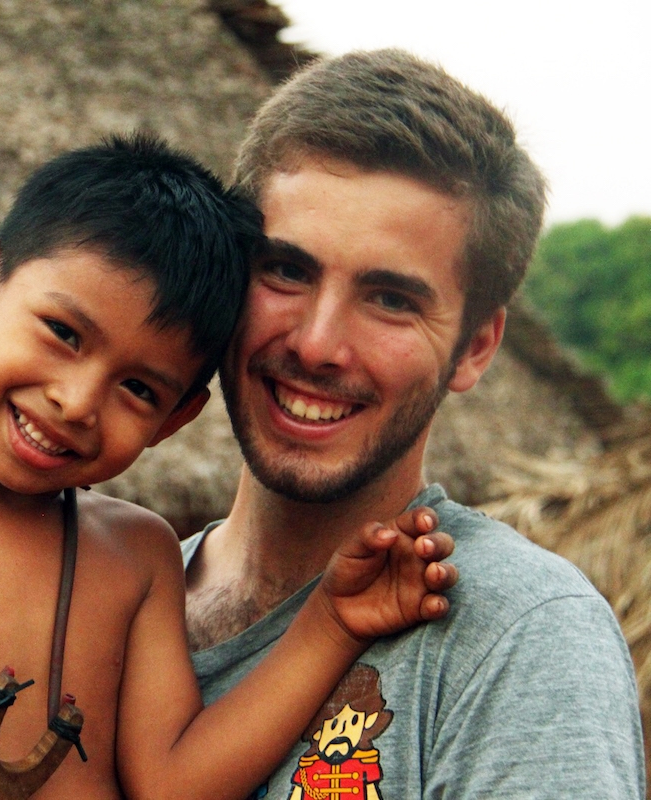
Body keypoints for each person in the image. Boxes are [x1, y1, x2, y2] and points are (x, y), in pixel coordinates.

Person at [0, 133, 460, 799]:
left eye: (139, 389)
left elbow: (174, 785)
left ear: (174, 420)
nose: (76, 402)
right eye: (63, 333)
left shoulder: (135, 554)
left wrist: (332, 623)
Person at [183, 49, 646, 799]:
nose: (316, 345)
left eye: (391, 300)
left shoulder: (517, 637)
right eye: (288, 270)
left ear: (476, 348)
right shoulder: (109, 605)